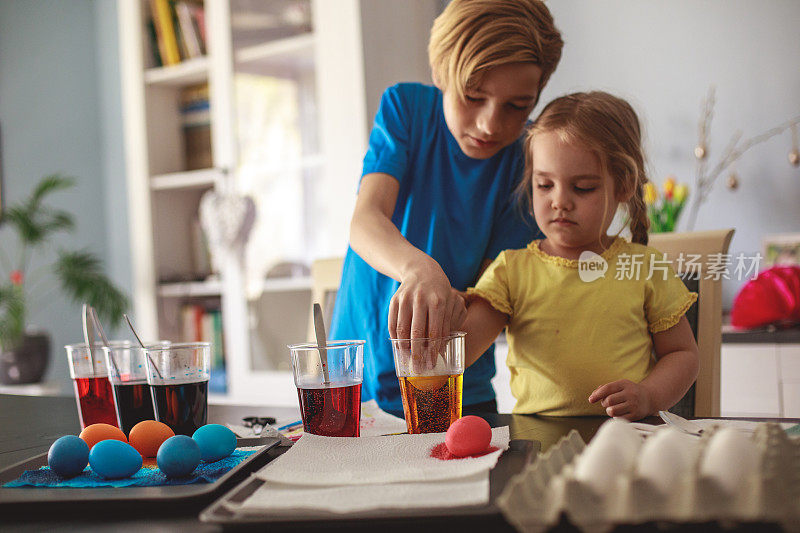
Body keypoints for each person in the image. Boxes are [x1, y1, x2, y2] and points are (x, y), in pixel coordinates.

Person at [329, 0, 564, 416]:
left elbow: (495, 295)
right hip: (354, 384)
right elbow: (366, 219)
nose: (491, 124)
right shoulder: (406, 109)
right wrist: (422, 271)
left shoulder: (530, 159)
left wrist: (448, 329)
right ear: (440, 74)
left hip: (457, 393)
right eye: (473, 96)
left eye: (517, 105)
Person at [461, 91, 700, 420]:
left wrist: (649, 395)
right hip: (538, 447)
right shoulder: (510, 271)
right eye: (545, 185)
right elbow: (460, 350)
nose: (560, 201)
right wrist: (444, 312)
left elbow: (683, 354)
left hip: (627, 438)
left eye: (583, 187)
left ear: (624, 185)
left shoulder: (644, 267)